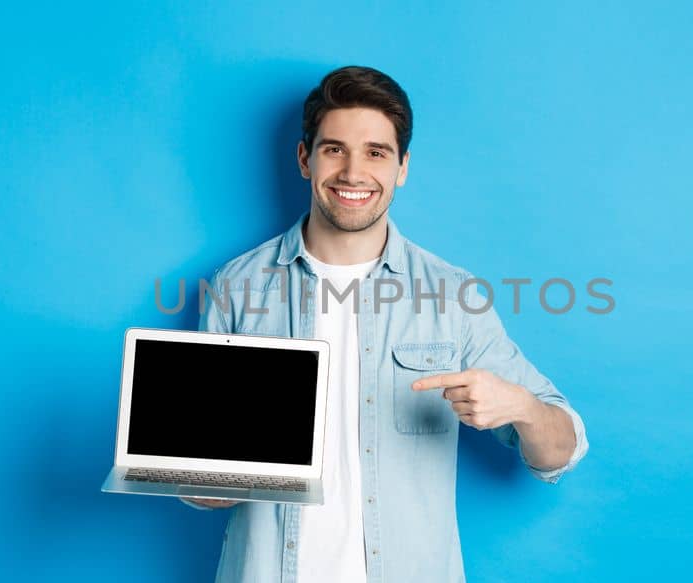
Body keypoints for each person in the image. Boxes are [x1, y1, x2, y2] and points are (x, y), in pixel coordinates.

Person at [181, 65, 588, 582]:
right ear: (305, 159)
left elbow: (563, 449)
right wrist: (206, 480)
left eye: (376, 152)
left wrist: (522, 407)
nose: (354, 173)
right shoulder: (235, 287)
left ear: (402, 167)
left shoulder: (453, 296)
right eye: (334, 149)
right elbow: (199, 484)